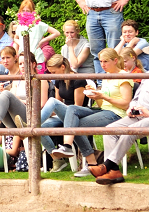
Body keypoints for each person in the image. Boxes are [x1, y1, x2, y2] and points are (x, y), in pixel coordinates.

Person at [51, 48, 133, 177]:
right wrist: (96, 96)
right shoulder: (105, 77)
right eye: (100, 61)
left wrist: (104, 97)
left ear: (115, 60)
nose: (102, 65)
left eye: (105, 61)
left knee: (76, 124)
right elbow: (102, 105)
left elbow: (126, 104)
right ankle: (67, 146)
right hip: (104, 110)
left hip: (117, 114)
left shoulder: (123, 77)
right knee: (72, 109)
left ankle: (91, 164)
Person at [90, 78, 149, 184]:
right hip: (138, 115)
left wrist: (148, 112)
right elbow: (136, 98)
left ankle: (106, 166)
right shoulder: (146, 76)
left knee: (129, 132)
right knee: (109, 130)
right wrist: (131, 108)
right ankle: (114, 171)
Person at [39, 55, 89, 172]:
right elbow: (58, 102)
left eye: (54, 72)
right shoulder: (58, 80)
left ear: (63, 67)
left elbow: (77, 107)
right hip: (63, 114)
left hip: (76, 114)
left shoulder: (78, 80)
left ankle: (30, 126)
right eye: (50, 72)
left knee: (51, 101)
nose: (52, 75)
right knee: (39, 129)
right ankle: (57, 159)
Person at [0, 52, 49, 134]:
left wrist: (22, 101)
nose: (22, 66)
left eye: (25, 63)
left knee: (6, 94)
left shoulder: (41, 80)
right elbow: (12, 97)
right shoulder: (17, 80)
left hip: (31, 116)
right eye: (20, 64)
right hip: (14, 118)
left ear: (33, 64)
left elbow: (42, 104)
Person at [11, 0, 60, 73]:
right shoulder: (20, 25)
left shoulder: (39, 24)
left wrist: (43, 41)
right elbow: (15, 38)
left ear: (33, 12)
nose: (25, 13)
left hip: (37, 57)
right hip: (23, 57)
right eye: (23, 11)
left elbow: (56, 33)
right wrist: (21, 43)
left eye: (28, 11)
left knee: (38, 77)